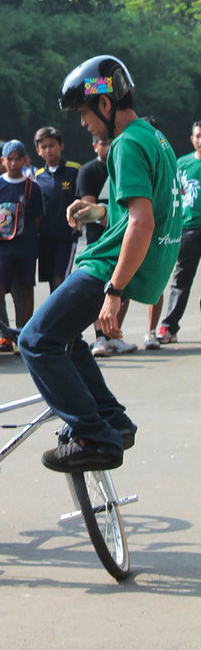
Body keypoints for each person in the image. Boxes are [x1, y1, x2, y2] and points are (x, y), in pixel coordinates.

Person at [18, 55, 182, 472]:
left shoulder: (126, 145)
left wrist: (114, 291)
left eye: (84, 113)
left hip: (106, 268)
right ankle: (113, 421)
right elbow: (144, 212)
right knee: (65, 339)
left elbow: (142, 224)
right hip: (127, 262)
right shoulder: (155, 138)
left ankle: (94, 435)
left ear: (106, 106)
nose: (83, 124)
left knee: (36, 341)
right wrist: (96, 213)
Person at [77, 135, 138, 355]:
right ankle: (100, 337)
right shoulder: (88, 171)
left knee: (123, 286)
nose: (108, 146)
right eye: (103, 143)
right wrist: (114, 220)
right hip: (99, 238)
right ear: (94, 146)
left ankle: (114, 335)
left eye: (111, 142)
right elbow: (88, 208)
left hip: (124, 236)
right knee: (100, 290)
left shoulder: (125, 167)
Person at [0, 140, 44, 350]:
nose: (14, 163)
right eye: (10, 159)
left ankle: (21, 337)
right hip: (1, 248)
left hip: (26, 247)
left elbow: (37, 220)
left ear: (26, 160)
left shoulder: (32, 187)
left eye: (18, 159)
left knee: (26, 290)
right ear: (2, 160)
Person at [155, 119, 201, 344]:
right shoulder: (181, 164)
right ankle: (169, 326)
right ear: (192, 139)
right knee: (181, 278)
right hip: (188, 228)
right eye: (198, 136)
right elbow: (170, 194)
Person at [33, 126, 81, 292]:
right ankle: (56, 316)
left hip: (66, 236)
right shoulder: (38, 176)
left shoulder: (74, 170)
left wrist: (78, 223)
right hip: (45, 237)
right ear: (38, 150)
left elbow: (82, 199)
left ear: (60, 146)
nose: (48, 150)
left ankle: (62, 316)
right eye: (43, 147)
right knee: (51, 283)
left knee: (60, 280)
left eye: (52, 145)